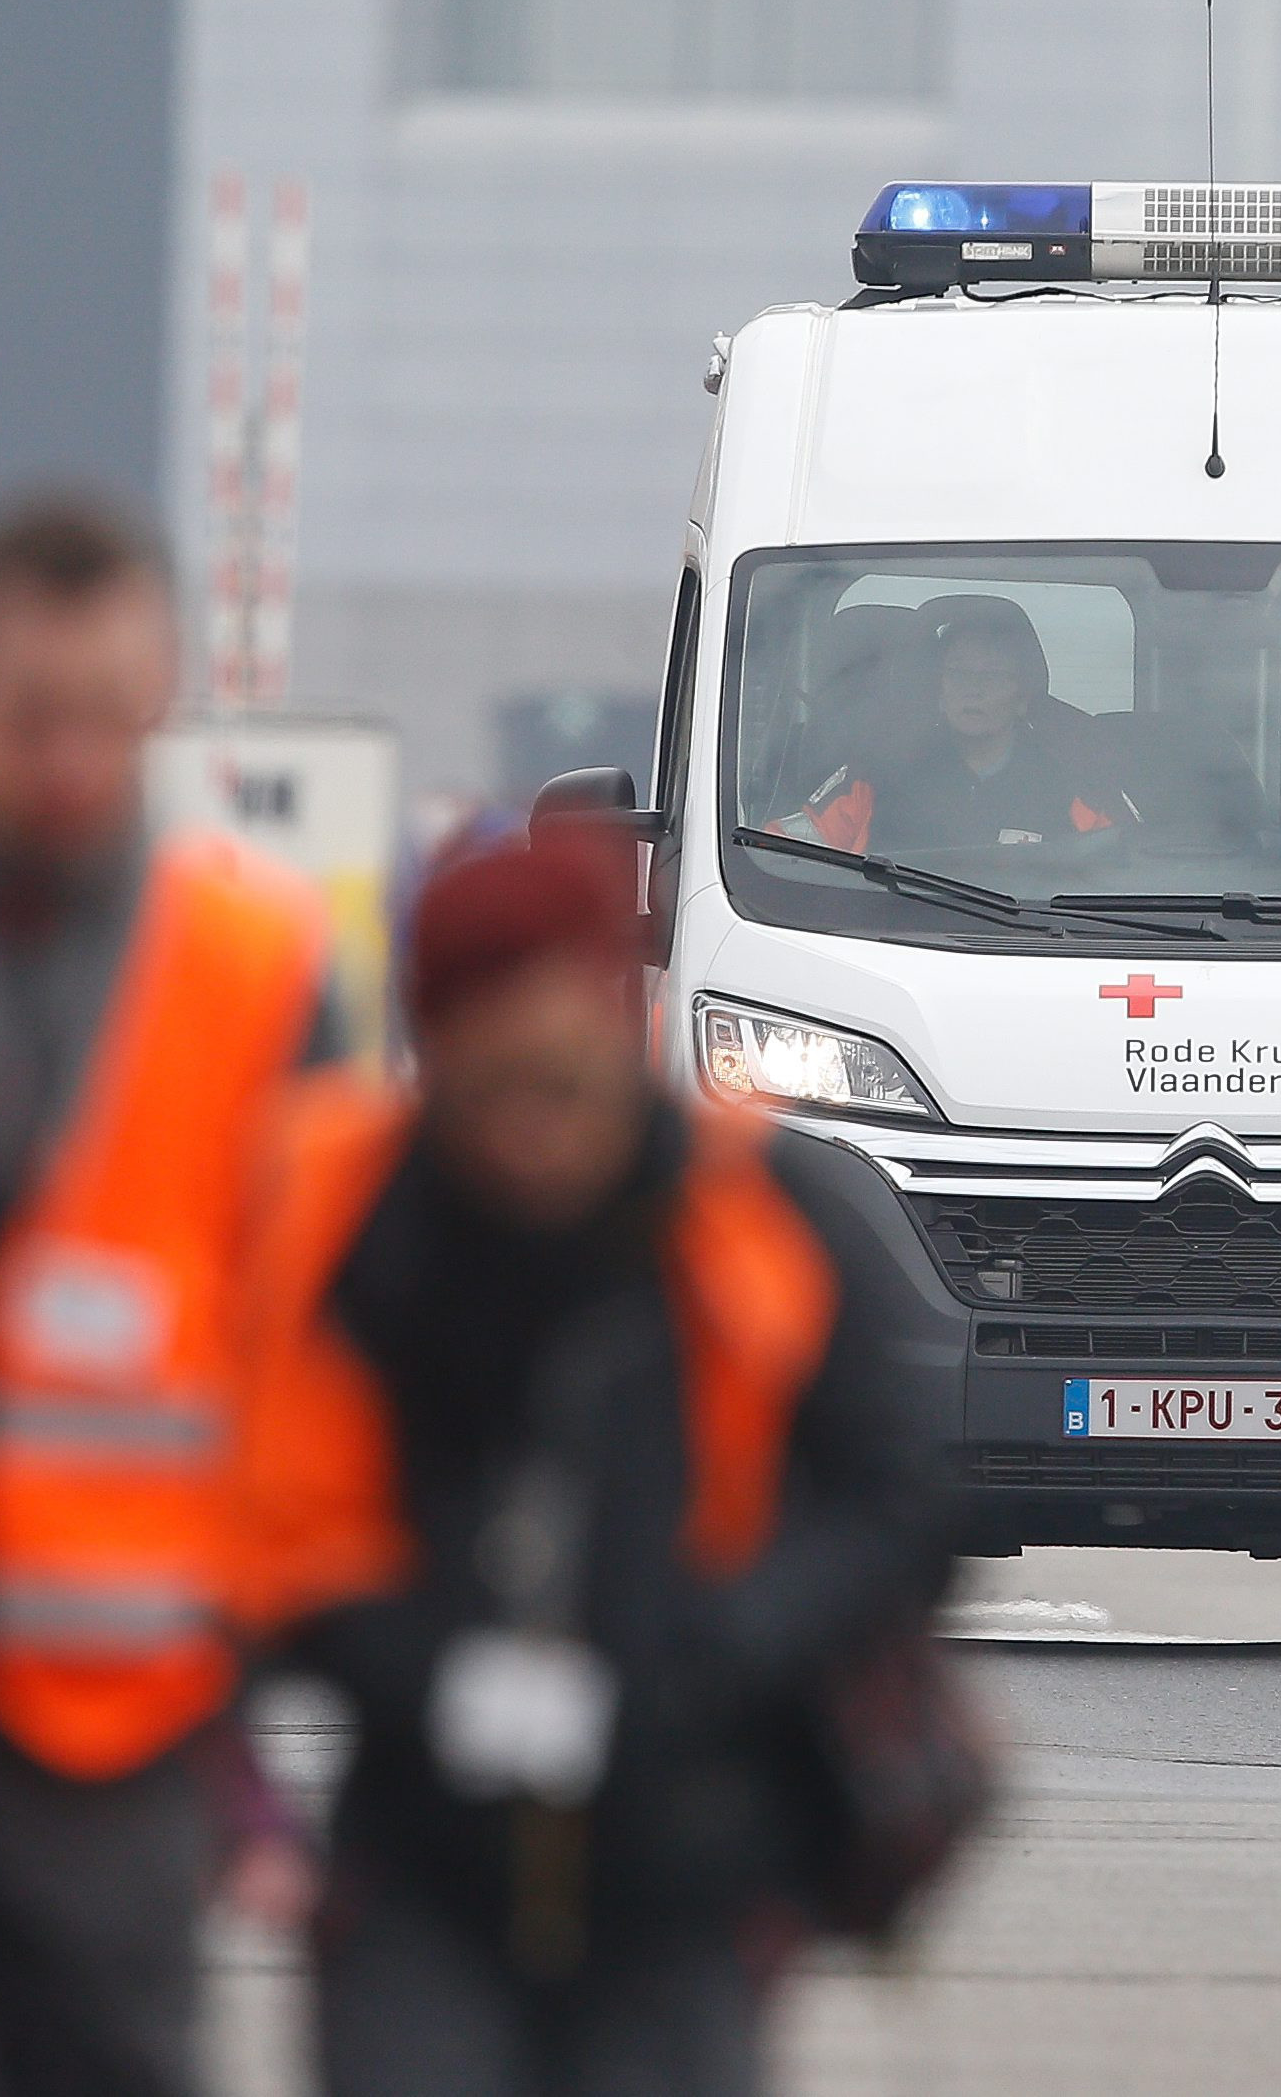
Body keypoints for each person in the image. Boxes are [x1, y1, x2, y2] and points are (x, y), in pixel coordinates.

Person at [234, 830, 947, 2097]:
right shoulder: (349, 1232)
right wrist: (410, 1659)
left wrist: (729, 1639)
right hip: (419, 1871)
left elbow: (898, 1501)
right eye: (494, 1092)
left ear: (618, 1027)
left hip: (686, 1868)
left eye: (563, 1090)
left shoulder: (759, 1216)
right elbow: (261, 1509)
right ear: (432, 1053)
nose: (534, 1137)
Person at [0, 492, 333, 2097]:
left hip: (133, 1717)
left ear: (163, 694)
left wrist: (249, 1694)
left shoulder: (257, 963)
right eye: (34, 716)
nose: (69, 760)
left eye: (106, 715)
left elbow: (302, 1351)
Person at [784, 597, 1132, 854]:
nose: (973, 688)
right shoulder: (875, 775)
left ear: (1024, 696)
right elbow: (787, 859)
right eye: (959, 672)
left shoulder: (1072, 782)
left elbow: (1126, 871)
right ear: (938, 689)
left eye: (993, 675)